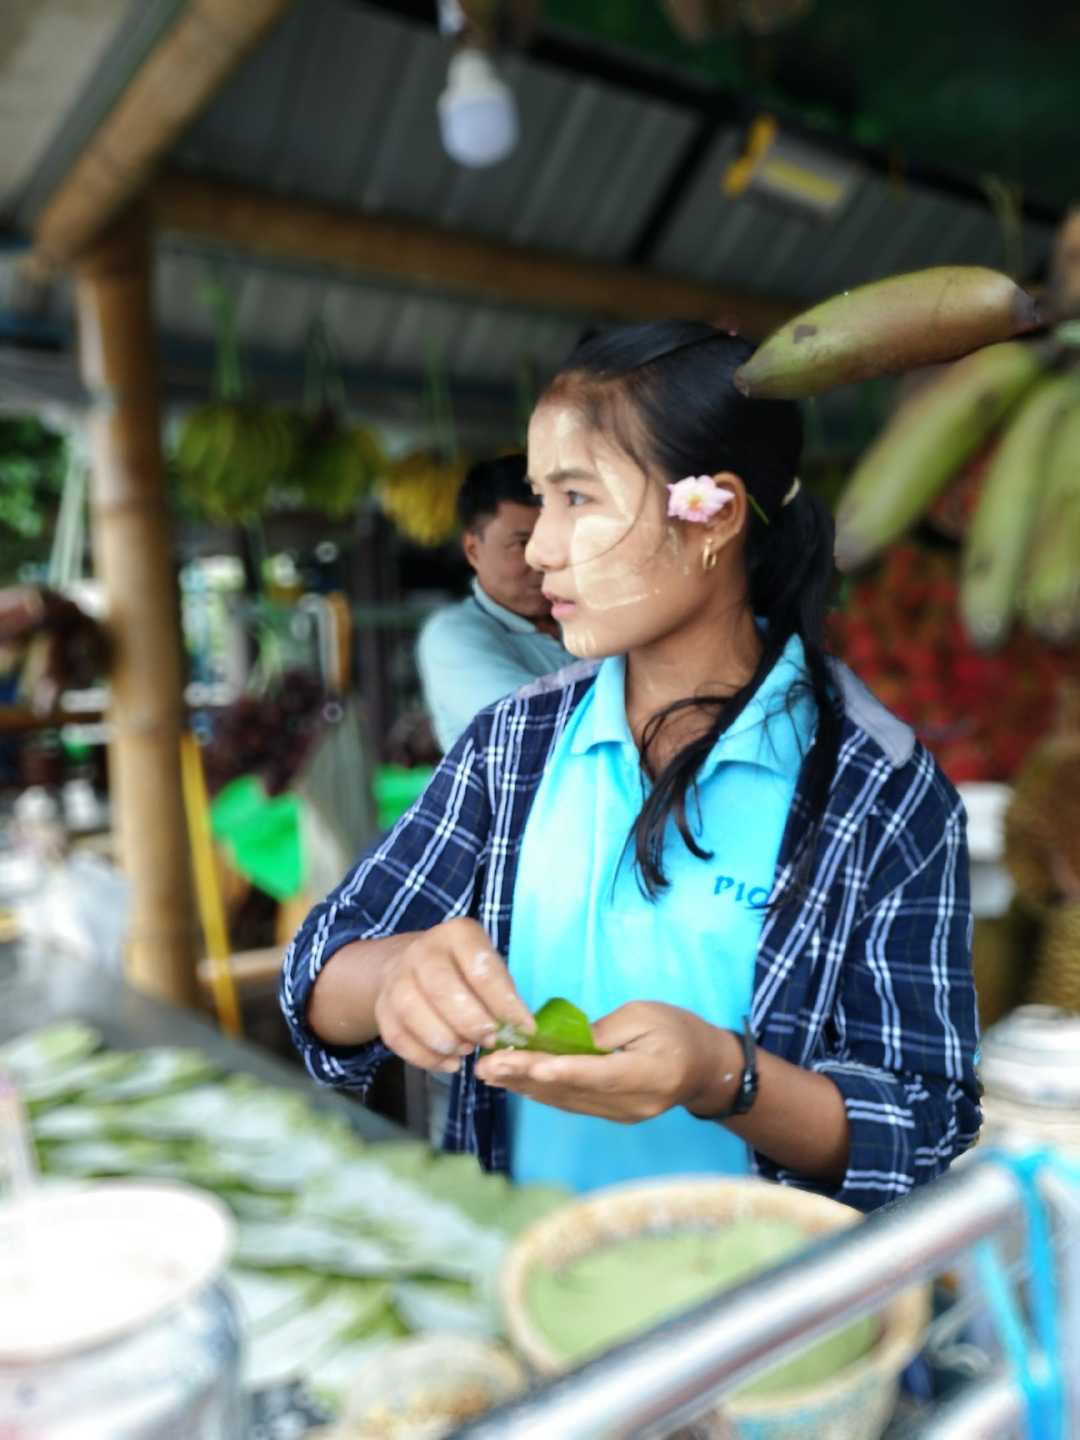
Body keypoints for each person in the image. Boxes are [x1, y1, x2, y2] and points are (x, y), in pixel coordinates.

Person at [281, 322, 980, 1214]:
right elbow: (317, 972)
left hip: (773, 1287)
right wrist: (395, 977)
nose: (541, 549)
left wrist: (722, 1074)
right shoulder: (515, 745)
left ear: (712, 515)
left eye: (578, 497)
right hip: (526, 1263)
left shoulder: (879, 789)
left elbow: (925, 1120)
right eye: (541, 500)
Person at [415, 454, 573, 752]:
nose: (544, 558)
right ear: (473, 550)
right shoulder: (452, 635)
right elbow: (532, 727)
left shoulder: (590, 618)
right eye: (522, 543)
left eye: (555, 539)